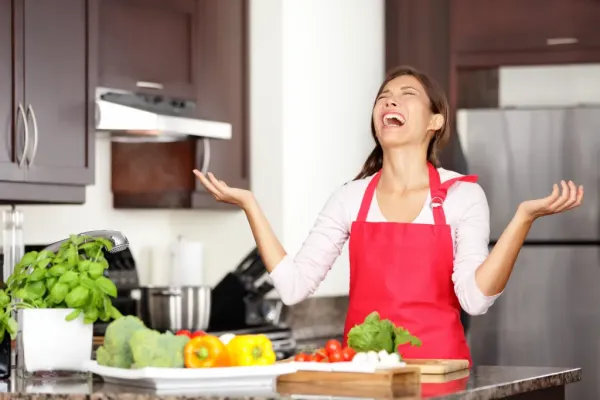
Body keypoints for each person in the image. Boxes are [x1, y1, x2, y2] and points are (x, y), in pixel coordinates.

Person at [193, 65, 584, 364]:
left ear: (436, 121)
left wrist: (521, 220)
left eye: (407, 94)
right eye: (384, 96)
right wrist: (251, 206)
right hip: (365, 375)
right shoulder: (350, 197)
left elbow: (475, 299)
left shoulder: (461, 196)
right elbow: (294, 287)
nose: (390, 101)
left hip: (440, 372)